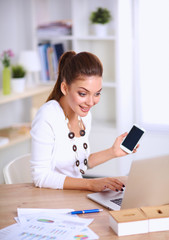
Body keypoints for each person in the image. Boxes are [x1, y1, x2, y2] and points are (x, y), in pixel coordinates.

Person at [30, 51, 138, 192]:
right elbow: (41, 177)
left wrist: (113, 152)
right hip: (51, 198)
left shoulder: (85, 116)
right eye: (83, 94)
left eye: (97, 93)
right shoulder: (48, 115)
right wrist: (91, 184)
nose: (91, 102)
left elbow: (80, 164)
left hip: (75, 194)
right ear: (65, 88)